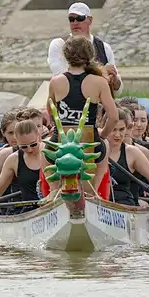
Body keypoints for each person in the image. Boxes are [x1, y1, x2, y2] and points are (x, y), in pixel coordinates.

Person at [47, 35, 118, 195]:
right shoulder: (100, 82)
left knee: (44, 152)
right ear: (90, 55)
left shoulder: (55, 81)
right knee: (104, 146)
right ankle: (93, 191)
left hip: (61, 143)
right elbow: (114, 117)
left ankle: (53, 191)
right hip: (89, 143)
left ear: (65, 56)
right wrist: (104, 135)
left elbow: (51, 112)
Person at [47, 2, 123, 94]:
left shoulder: (104, 47)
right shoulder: (58, 45)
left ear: (90, 20)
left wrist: (114, 80)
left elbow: (117, 91)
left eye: (80, 18)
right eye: (71, 19)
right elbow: (65, 81)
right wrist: (101, 72)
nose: (75, 22)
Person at [0, 120, 46, 214]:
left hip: (51, 204)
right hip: (29, 211)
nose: (30, 149)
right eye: (23, 147)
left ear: (38, 136)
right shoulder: (13, 160)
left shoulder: (50, 152)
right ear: (17, 141)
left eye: (33, 144)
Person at [107, 108, 149, 206]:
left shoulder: (131, 152)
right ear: (105, 128)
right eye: (113, 130)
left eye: (121, 130)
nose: (117, 135)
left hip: (124, 203)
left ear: (126, 129)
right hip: (99, 200)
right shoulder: (94, 148)